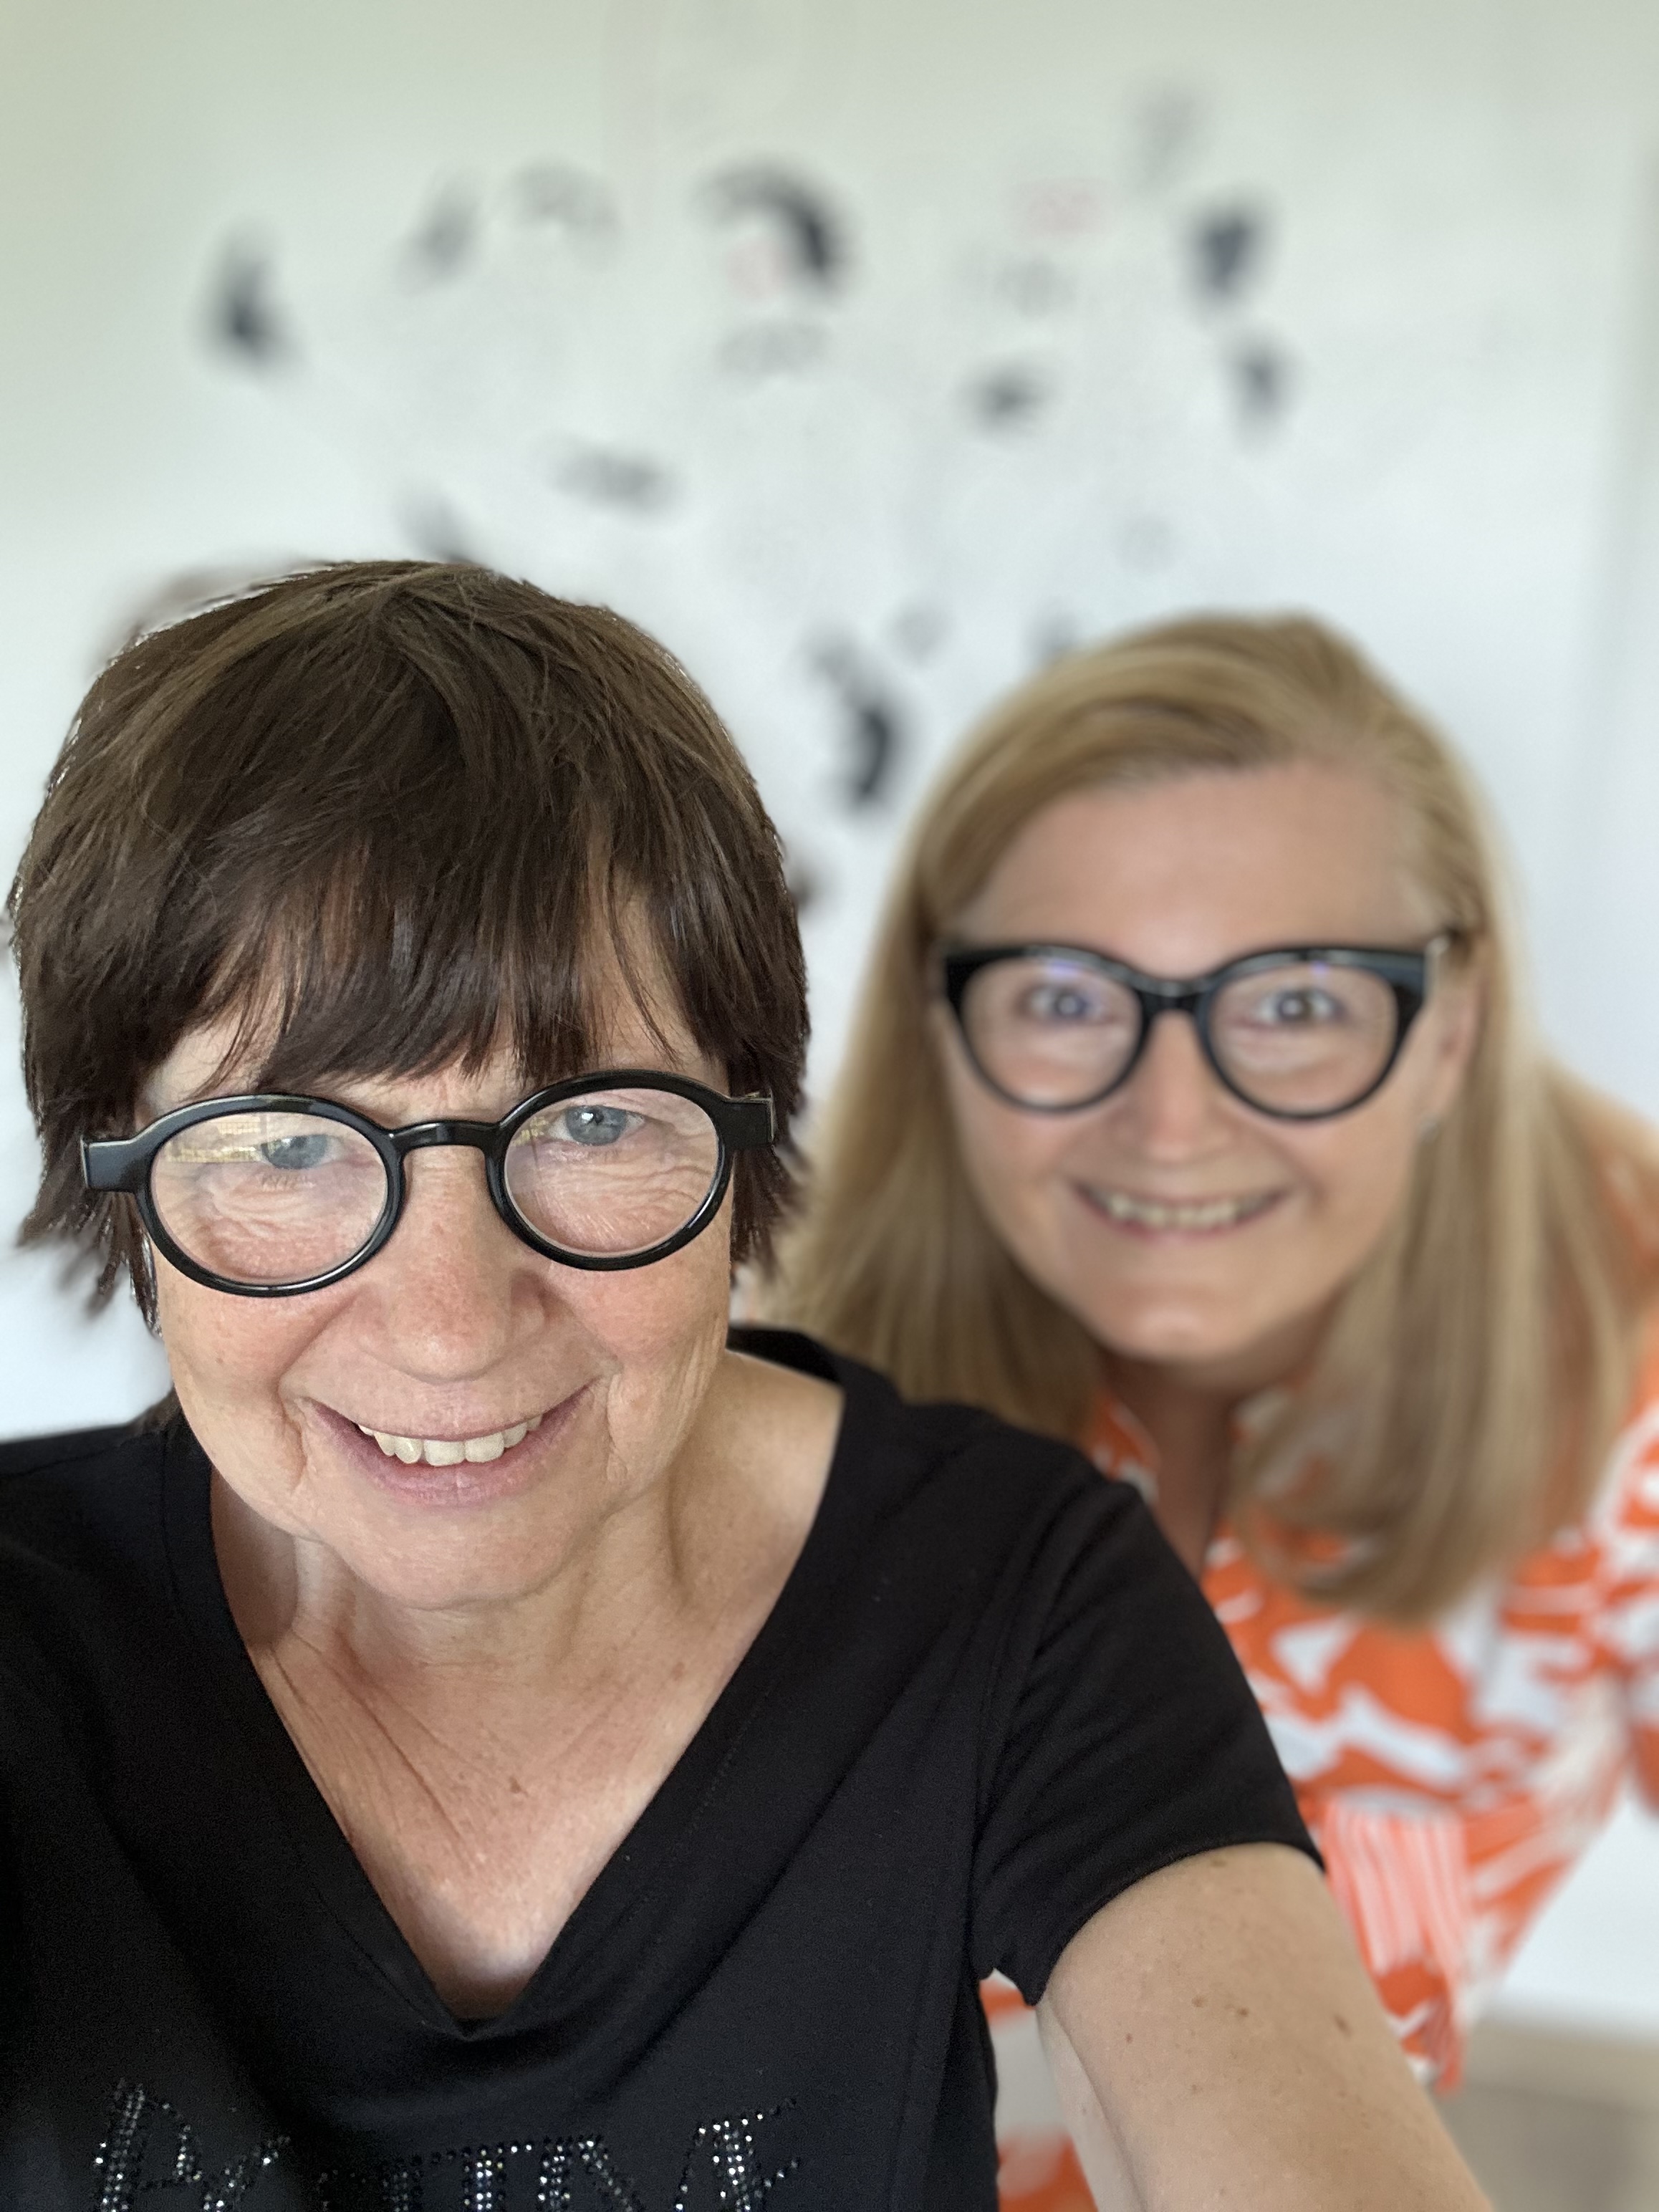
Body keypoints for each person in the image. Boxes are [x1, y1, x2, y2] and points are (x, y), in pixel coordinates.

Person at [0, 564, 1485, 2211]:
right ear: (119, 1168)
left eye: (592, 1122)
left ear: (747, 1132)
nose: (451, 1325)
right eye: (284, 1142)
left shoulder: (1015, 1588)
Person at [779, 610, 1659, 2210]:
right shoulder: (759, 1359)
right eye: (1065, 998)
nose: (1172, 1125)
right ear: (941, 1018)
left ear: (1449, 1032)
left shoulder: (1630, 1348)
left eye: (1298, 1004)